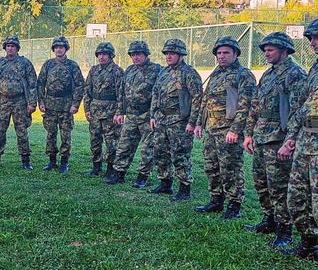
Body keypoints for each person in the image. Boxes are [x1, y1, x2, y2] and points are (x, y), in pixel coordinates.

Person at [243, 32, 306, 248]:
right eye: (265, 50)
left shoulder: (295, 74)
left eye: (270, 49)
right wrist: (249, 133)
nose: (266, 53)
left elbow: (299, 110)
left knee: (279, 187)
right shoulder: (268, 75)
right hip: (261, 137)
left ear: (284, 50)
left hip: (279, 139)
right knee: (262, 184)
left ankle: (284, 230)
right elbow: (255, 106)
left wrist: (290, 141)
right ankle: (268, 220)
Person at [194, 36, 256, 220]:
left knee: (230, 168)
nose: (221, 56)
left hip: (228, 130)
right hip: (211, 128)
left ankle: (234, 204)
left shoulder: (243, 74)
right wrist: (199, 122)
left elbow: (246, 105)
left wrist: (235, 130)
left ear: (236, 54)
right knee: (211, 166)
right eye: (219, 53)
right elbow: (205, 100)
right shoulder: (216, 73)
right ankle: (216, 199)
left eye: (226, 52)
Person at [278, 19, 318, 270]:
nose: (313, 43)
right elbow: (305, 106)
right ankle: (310, 242)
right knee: (297, 198)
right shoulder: (314, 68)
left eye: (316, 38)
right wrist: (293, 136)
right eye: (310, 38)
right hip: (307, 141)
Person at [147, 39, 203, 200]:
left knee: (180, 155)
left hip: (180, 121)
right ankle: (165, 184)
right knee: (160, 153)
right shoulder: (164, 72)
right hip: (161, 119)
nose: (168, 56)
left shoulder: (189, 73)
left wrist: (192, 122)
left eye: (172, 53)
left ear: (181, 54)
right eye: (166, 53)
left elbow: (197, 99)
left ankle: (184, 188)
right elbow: (155, 94)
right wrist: (153, 115)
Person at [104, 41, 161, 186]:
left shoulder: (157, 70)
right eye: (133, 55)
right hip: (131, 115)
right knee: (124, 145)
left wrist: (154, 115)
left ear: (146, 54)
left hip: (147, 114)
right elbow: (122, 93)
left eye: (139, 54)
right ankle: (119, 173)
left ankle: (143, 176)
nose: (136, 57)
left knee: (147, 148)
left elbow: (159, 94)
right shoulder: (129, 70)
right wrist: (119, 112)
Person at [0, 35, 38, 170]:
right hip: (2, 101)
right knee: (0, 131)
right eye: (8, 46)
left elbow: (33, 83)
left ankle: (25, 160)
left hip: (20, 101)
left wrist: (32, 103)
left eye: (13, 46)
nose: (10, 48)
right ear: (5, 48)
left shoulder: (25, 63)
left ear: (17, 48)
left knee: (22, 131)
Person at [37, 35, 84, 173]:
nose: (58, 49)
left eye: (61, 47)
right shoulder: (48, 64)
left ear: (66, 49)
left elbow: (80, 85)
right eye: (56, 47)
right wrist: (41, 101)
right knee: (51, 134)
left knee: (65, 135)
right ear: (54, 49)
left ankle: (64, 162)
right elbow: (40, 84)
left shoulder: (72, 65)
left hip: (66, 105)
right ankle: (51, 161)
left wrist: (75, 104)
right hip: (50, 104)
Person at [83, 42, 123, 177]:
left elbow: (121, 95)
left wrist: (119, 112)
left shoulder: (117, 71)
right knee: (95, 139)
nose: (102, 57)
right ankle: (96, 166)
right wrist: (87, 109)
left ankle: (111, 168)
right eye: (99, 54)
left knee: (111, 141)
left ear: (111, 56)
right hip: (95, 110)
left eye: (105, 54)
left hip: (110, 111)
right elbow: (87, 90)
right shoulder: (94, 70)